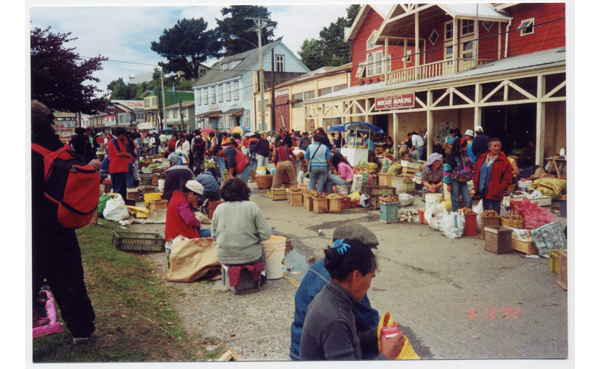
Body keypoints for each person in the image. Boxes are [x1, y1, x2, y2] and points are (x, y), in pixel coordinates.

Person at [31, 100, 96, 345]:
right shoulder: (60, 148)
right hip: (61, 228)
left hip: (32, 230)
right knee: (70, 281)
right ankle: (82, 330)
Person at [298, 227, 405, 360]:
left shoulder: (330, 295)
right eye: (371, 277)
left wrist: (378, 333)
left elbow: (348, 340)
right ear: (356, 275)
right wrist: (387, 356)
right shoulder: (336, 318)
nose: (369, 285)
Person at [211, 178, 272, 266]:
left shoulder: (219, 208)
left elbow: (214, 236)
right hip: (251, 257)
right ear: (245, 191)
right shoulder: (252, 206)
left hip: (224, 257)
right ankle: (261, 276)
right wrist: (252, 238)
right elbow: (266, 234)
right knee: (261, 247)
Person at [473, 138, 513, 214]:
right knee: (486, 213)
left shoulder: (504, 160)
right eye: (494, 146)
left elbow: (508, 178)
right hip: (483, 191)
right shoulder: (482, 158)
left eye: (499, 146)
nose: (497, 148)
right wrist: (476, 184)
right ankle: (486, 226)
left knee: (494, 215)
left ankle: (493, 226)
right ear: (489, 147)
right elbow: (476, 171)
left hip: (495, 193)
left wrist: (500, 187)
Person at [443, 138, 474, 212]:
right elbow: (446, 170)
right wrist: (448, 184)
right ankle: (457, 218)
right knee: (455, 200)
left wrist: (471, 175)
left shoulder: (466, 156)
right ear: (460, 146)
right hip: (454, 181)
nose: (467, 147)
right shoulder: (451, 157)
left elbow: (472, 166)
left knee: (468, 201)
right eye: (465, 145)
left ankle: (468, 217)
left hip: (464, 181)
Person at [107, 127, 132, 200]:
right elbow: (119, 153)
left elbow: (120, 151)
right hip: (118, 168)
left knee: (121, 189)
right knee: (119, 190)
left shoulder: (116, 141)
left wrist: (124, 144)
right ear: (121, 135)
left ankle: (121, 204)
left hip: (119, 168)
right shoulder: (115, 141)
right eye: (124, 135)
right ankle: (119, 205)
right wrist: (128, 155)